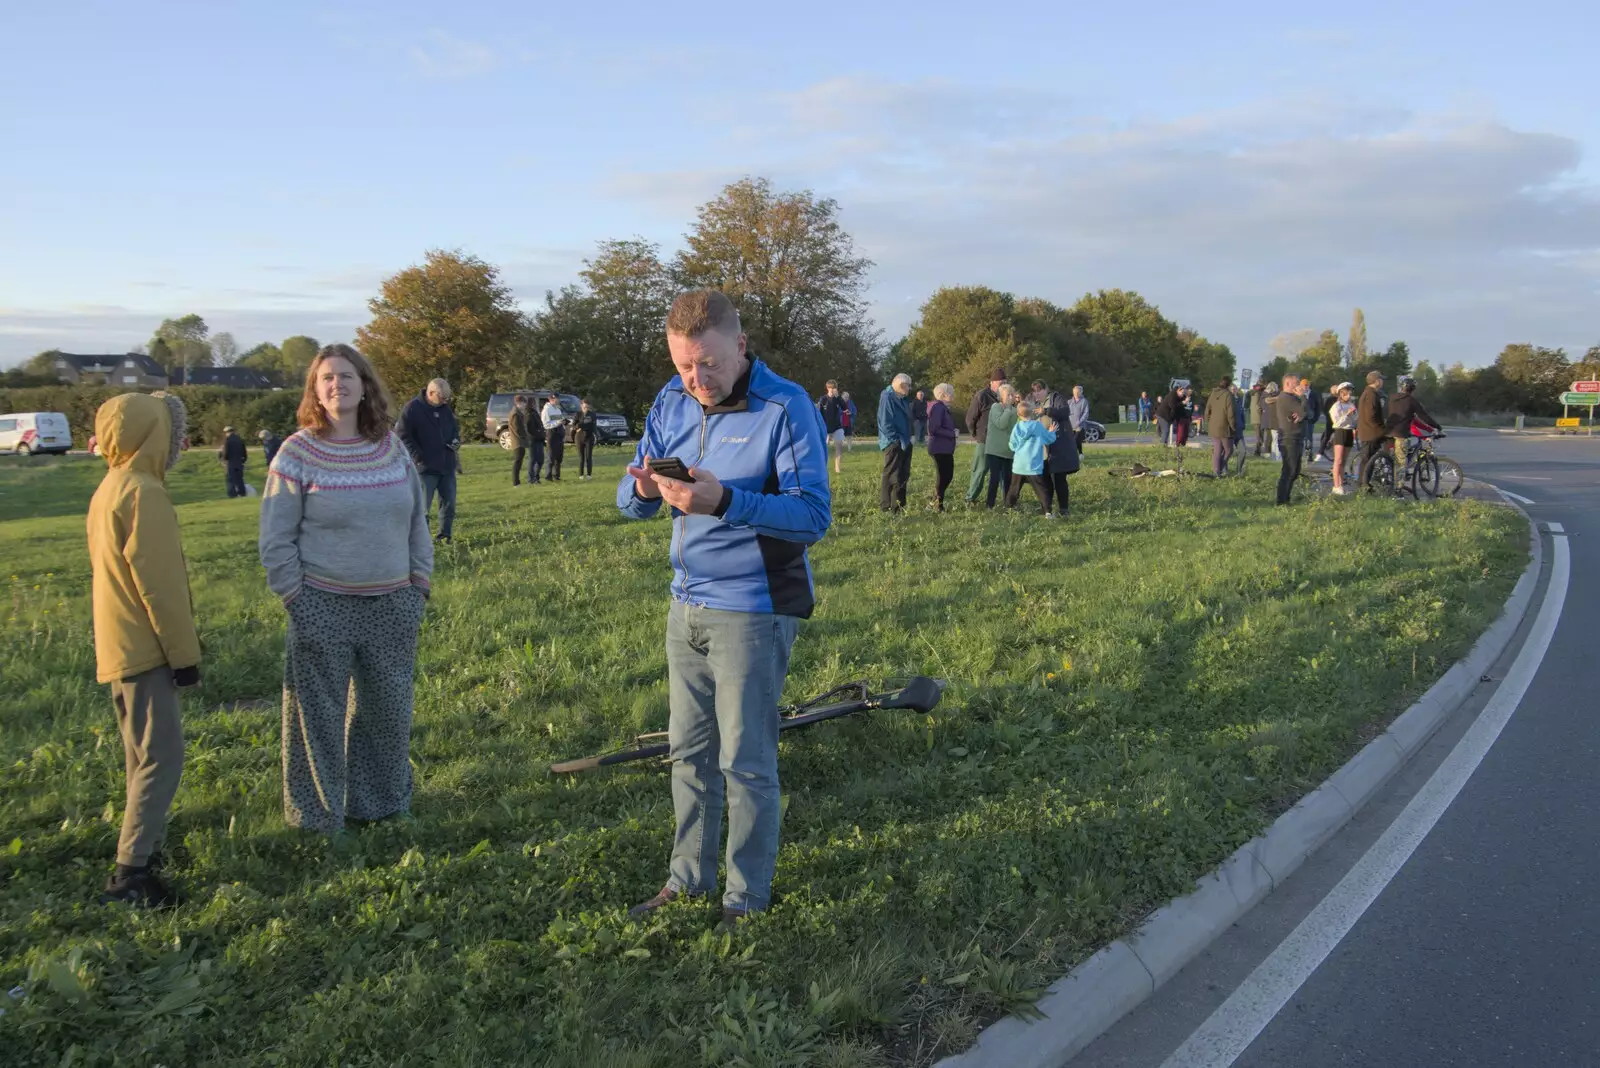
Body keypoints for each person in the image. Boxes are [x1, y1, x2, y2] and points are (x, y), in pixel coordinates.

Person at [617, 290, 830, 929]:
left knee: (745, 759)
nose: (696, 380)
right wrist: (641, 490)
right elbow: (635, 505)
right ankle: (686, 880)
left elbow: (812, 516)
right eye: (684, 365)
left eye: (708, 364)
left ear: (740, 345)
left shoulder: (785, 405)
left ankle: (745, 898)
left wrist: (726, 502)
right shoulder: (670, 399)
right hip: (686, 606)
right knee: (689, 752)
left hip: (753, 609)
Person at [259, 344, 432, 833]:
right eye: (327, 378)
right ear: (315, 390)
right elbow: (275, 539)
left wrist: (418, 584)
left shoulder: (391, 447)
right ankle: (317, 820)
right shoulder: (296, 453)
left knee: (387, 714)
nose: (338, 384)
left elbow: (417, 520)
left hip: (393, 604)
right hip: (322, 605)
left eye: (347, 375)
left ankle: (378, 806)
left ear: (365, 385)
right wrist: (297, 597)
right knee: (317, 720)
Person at [87, 391, 201, 907]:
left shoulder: (110, 486)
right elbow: (162, 588)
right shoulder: (144, 493)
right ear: (156, 435)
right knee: (162, 757)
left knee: (140, 755)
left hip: (117, 643)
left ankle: (141, 849)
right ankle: (131, 875)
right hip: (145, 646)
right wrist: (185, 657)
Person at [398, 378, 460, 543]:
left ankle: (444, 536)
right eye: (442, 397)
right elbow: (402, 436)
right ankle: (421, 540)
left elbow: (454, 429)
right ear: (431, 393)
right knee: (422, 508)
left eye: (447, 398)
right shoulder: (412, 409)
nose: (445, 401)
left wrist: (455, 440)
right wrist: (418, 457)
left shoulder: (445, 410)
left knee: (449, 505)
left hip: (447, 465)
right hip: (425, 468)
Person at [1386, 375, 1442, 489]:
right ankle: (1398, 491)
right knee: (1401, 463)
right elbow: (1424, 416)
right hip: (1401, 434)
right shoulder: (1411, 400)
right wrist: (1437, 427)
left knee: (1390, 459)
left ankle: (1384, 479)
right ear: (1412, 389)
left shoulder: (1391, 398)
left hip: (1388, 432)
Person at [1006, 401, 1058, 514]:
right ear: (1032, 413)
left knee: (1014, 489)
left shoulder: (1017, 427)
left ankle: (1009, 508)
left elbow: (1012, 445)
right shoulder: (1037, 426)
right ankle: (1047, 511)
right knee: (1041, 490)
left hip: (1019, 465)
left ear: (1018, 415)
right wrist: (1052, 432)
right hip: (1033, 465)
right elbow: (1049, 439)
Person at [965, 368, 1008, 503]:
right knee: (980, 469)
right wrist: (977, 435)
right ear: (992, 382)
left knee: (1003, 472)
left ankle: (1007, 499)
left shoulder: (1006, 396)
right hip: (985, 440)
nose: (1003, 385)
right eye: (1001, 383)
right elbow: (970, 418)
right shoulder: (982, 396)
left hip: (1002, 441)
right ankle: (970, 497)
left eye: (1005, 382)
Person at [1041, 384, 1080, 518]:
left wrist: (1046, 411)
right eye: (1034, 392)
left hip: (1057, 445)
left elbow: (1064, 412)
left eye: (1038, 391)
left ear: (1045, 390)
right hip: (1042, 448)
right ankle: (1047, 509)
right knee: (1045, 481)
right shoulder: (1032, 401)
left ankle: (1064, 509)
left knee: (1059, 478)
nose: (1036, 394)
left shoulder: (1056, 398)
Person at [878, 373, 914, 512]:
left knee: (903, 474)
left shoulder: (902, 398)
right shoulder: (887, 397)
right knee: (891, 474)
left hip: (905, 440)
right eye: (908, 386)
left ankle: (898, 506)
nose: (910, 389)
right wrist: (895, 440)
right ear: (900, 385)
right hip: (893, 442)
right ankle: (886, 506)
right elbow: (885, 421)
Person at [983, 384, 1020, 508]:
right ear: (1001, 397)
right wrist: (1008, 409)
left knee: (1008, 479)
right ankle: (990, 505)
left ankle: (1008, 504)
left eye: (1012, 394)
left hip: (1008, 450)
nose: (1011, 397)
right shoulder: (996, 407)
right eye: (1008, 395)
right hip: (994, 450)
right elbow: (1001, 424)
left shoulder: (1015, 410)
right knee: (994, 478)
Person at [926, 382, 959, 511]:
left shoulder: (942, 407)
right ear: (944, 394)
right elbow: (934, 428)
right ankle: (938, 505)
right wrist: (952, 433)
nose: (954, 395)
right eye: (951, 392)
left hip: (944, 448)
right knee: (943, 476)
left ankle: (935, 502)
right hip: (939, 448)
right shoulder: (938, 407)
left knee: (947, 475)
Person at [1275, 374, 1307, 505]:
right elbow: (1303, 410)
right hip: (1289, 438)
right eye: (1296, 383)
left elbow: (1307, 413)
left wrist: (1302, 413)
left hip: (1297, 436)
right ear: (1287, 384)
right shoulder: (1285, 398)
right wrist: (1303, 397)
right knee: (1289, 470)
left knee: (1295, 470)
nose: (1299, 386)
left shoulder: (1293, 398)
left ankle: (1286, 497)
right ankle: (1282, 500)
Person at [1356, 371, 1388, 492]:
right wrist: (1381, 428)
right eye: (1381, 379)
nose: (1382, 381)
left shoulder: (1370, 393)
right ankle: (1363, 484)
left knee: (1369, 459)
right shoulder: (1371, 394)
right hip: (1371, 432)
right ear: (1377, 381)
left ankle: (1365, 483)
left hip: (1369, 431)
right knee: (1367, 459)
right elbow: (1371, 416)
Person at [1328, 381, 1358, 495]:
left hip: (1349, 432)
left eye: (1349, 393)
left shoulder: (1351, 405)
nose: (1348, 396)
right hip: (1340, 432)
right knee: (1338, 460)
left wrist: (1354, 417)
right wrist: (1346, 415)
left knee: (1344, 461)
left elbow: (1355, 420)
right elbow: (1336, 423)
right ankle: (1336, 486)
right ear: (1340, 394)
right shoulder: (1336, 406)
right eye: (1345, 394)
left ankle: (1341, 484)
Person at [1204, 377, 1238, 476]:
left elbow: (1207, 409)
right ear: (1229, 384)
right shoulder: (1228, 395)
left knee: (1218, 449)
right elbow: (1230, 413)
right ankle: (1219, 469)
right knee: (1228, 450)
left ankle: (1216, 471)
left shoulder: (1213, 393)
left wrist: (1209, 421)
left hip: (1213, 425)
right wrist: (1233, 426)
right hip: (1224, 426)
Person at [818, 380, 847, 475]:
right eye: (831, 388)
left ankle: (837, 469)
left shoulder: (837, 399)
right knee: (823, 448)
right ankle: (822, 468)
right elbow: (818, 414)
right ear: (827, 388)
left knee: (839, 447)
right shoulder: (823, 399)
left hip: (837, 427)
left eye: (834, 388)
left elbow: (845, 408)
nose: (832, 390)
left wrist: (838, 396)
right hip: (826, 428)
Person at [541, 394, 568, 481]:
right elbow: (546, 424)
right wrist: (557, 423)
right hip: (552, 433)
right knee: (551, 455)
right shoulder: (547, 410)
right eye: (556, 398)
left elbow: (559, 420)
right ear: (551, 399)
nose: (558, 400)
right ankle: (548, 476)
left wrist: (563, 422)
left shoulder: (558, 409)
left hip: (559, 433)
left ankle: (557, 475)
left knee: (559, 456)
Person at [508, 394, 532, 486]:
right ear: (519, 403)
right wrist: (525, 436)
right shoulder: (515, 414)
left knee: (519, 461)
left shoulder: (517, 412)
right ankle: (516, 482)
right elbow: (517, 428)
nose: (525, 405)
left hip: (519, 441)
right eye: (524, 403)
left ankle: (517, 482)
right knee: (517, 461)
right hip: (518, 441)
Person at [219, 425, 247, 497]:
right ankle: (242, 493)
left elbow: (225, 452)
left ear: (226, 432)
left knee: (230, 479)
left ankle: (232, 494)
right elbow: (244, 452)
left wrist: (223, 460)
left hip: (230, 463)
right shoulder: (239, 440)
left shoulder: (227, 441)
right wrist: (243, 460)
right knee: (240, 479)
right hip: (239, 463)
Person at [575, 398, 599, 481]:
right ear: (581, 405)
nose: (586, 408)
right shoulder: (578, 414)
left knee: (589, 456)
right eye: (584, 406)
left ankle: (589, 474)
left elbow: (592, 426)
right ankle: (581, 474)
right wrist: (579, 426)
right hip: (579, 437)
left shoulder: (592, 414)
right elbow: (575, 425)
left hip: (589, 437)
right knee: (581, 457)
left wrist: (581, 426)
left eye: (587, 406)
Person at [1315, 385, 1337, 463]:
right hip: (1330, 420)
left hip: (1338, 422)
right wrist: (1330, 415)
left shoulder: (1340, 399)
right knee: (1327, 435)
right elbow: (1325, 409)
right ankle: (1321, 451)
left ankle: (1327, 449)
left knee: (1331, 436)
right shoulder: (1330, 399)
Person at [1230, 384, 1248, 476]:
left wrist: (1243, 424)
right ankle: (1222, 469)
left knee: (1243, 451)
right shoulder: (1228, 401)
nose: (1234, 391)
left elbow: (1242, 414)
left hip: (1239, 431)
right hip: (1230, 431)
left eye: (1235, 389)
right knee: (1227, 452)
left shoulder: (1239, 400)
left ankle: (1238, 471)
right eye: (1232, 389)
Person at [526, 401, 546, 485]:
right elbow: (529, 429)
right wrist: (537, 433)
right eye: (533, 404)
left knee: (540, 460)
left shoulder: (535, 413)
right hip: (532, 440)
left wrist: (542, 434)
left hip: (540, 439)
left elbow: (540, 425)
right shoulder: (528, 415)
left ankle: (536, 476)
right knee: (533, 459)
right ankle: (531, 479)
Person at [1067, 385, 1090, 449]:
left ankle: (1079, 453)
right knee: (1072, 441)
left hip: (1079, 425)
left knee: (1075, 439)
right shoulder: (1069, 402)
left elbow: (1086, 413)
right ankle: (1077, 453)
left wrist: (1080, 422)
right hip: (1070, 425)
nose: (1076, 394)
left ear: (1081, 392)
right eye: (1075, 392)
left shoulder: (1084, 401)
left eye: (1077, 392)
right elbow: (1066, 412)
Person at [1249, 383, 1268, 456]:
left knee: (1259, 436)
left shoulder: (1253, 395)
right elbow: (1258, 406)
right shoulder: (1257, 395)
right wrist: (1263, 411)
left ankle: (1258, 451)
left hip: (1255, 418)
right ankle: (1257, 451)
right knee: (1260, 437)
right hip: (1258, 418)